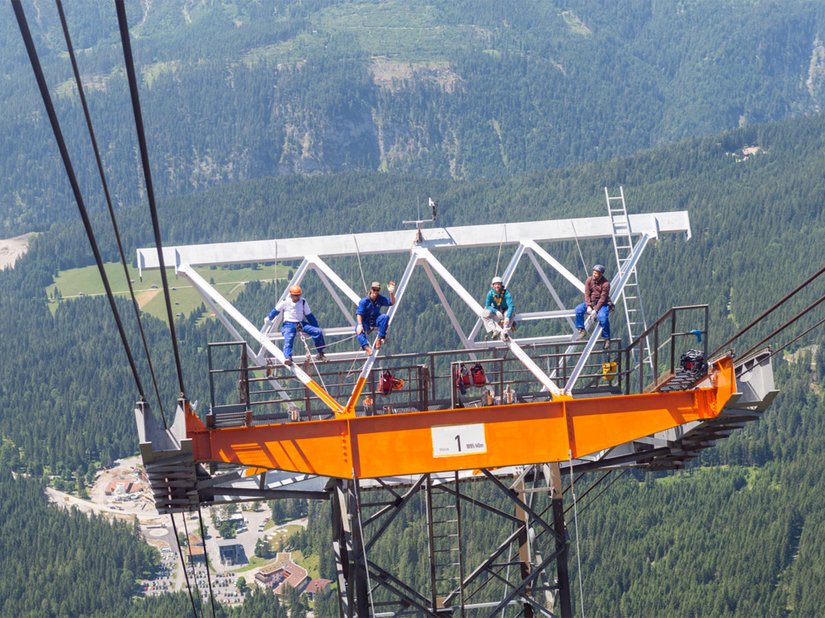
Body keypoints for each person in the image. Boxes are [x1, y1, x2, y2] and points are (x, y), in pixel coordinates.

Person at [265, 284, 326, 366]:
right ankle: (288, 358)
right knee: (288, 339)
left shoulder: (303, 302)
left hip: (300, 323)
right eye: (295, 295)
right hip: (288, 325)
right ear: (291, 295)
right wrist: (269, 318)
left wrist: (315, 326)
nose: (297, 297)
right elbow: (275, 311)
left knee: (317, 332)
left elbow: (309, 316)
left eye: (298, 295)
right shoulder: (285, 302)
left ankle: (320, 353)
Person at [575, 264, 611, 349]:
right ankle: (582, 330)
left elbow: (603, 298)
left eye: (596, 273)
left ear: (601, 274)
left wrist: (595, 310)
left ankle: (607, 338)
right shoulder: (589, 280)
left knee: (603, 318)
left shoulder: (606, 284)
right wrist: (588, 306)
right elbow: (587, 294)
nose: (594, 275)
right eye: (594, 273)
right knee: (578, 310)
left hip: (602, 304)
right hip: (591, 302)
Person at [355, 281, 396, 355]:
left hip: (374, 319)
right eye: (374, 289)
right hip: (365, 321)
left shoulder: (380, 299)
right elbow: (359, 314)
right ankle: (367, 347)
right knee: (359, 331)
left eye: (377, 290)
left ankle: (380, 338)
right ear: (371, 289)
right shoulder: (364, 301)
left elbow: (392, 302)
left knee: (385, 317)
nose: (375, 292)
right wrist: (360, 325)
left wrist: (391, 292)